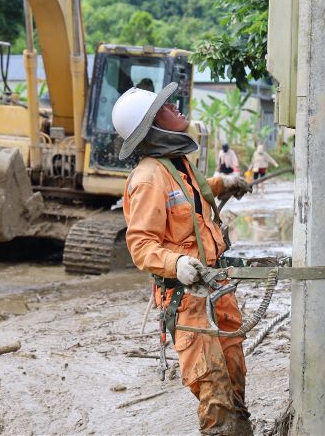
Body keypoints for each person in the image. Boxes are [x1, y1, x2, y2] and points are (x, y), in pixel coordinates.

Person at [112, 84, 253, 436]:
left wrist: (223, 183)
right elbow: (141, 245)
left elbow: (194, 192)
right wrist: (176, 264)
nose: (175, 106)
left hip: (217, 288)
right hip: (188, 297)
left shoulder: (179, 164)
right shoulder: (147, 179)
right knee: (213, 384)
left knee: (234, 372)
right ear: (152, 127)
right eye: (164, 107)